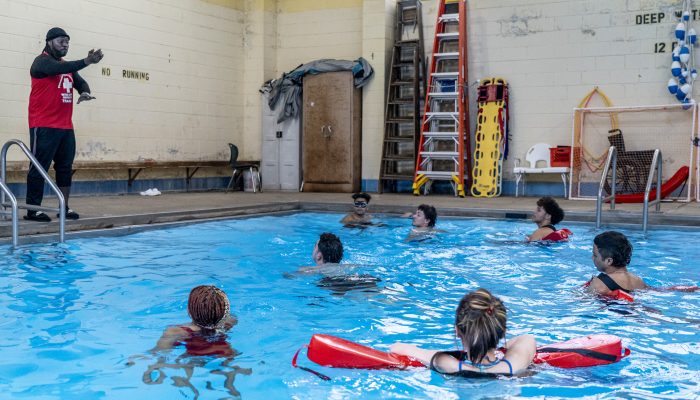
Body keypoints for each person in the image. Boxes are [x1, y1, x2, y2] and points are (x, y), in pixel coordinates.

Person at [25, 27, 104, 222]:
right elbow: (59, 69)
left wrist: (84, 92)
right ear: (49, 41)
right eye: (61, 41)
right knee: (39, 167)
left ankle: (64, 207)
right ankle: (32, 210)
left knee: (65, 168)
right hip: (43, 125)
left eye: (68, 42)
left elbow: (80, 82)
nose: (65, 45)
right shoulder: (41, 62)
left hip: (65, 127)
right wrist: (87, 61)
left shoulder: (66, 66)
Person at [390, 288, 536, 377]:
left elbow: (396, 348)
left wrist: (451, 356)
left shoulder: (447, 363)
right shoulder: (513, 365)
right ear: (502, 332)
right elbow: (527, 339)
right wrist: (501, 351)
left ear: (457, 331)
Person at [154, 285, 237, 356]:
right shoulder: (230, 322)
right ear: (224, 313)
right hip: (223, 350)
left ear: (189, 310)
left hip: (191, 356)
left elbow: (159, 353)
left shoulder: (175, 331)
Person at [586, 231, 647, 297]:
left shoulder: (599, 285)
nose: (592, 258)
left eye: (595, 255)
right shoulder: (639, 282)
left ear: (609, 261)